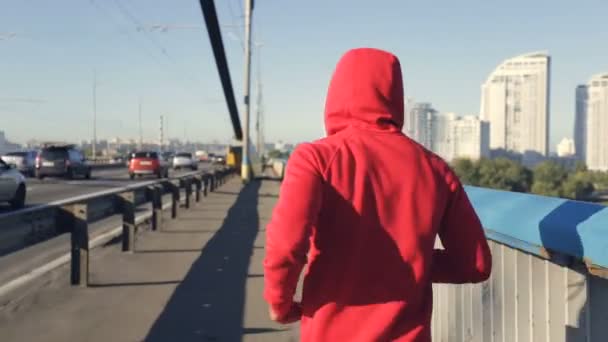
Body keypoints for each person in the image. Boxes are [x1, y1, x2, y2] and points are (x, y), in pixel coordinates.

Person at [263, 48, 492, 342]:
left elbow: (286, 243)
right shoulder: (436, 169)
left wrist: (279, 303)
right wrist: (410, 261)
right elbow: (475, 264)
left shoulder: (315, 158)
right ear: (394, 96)